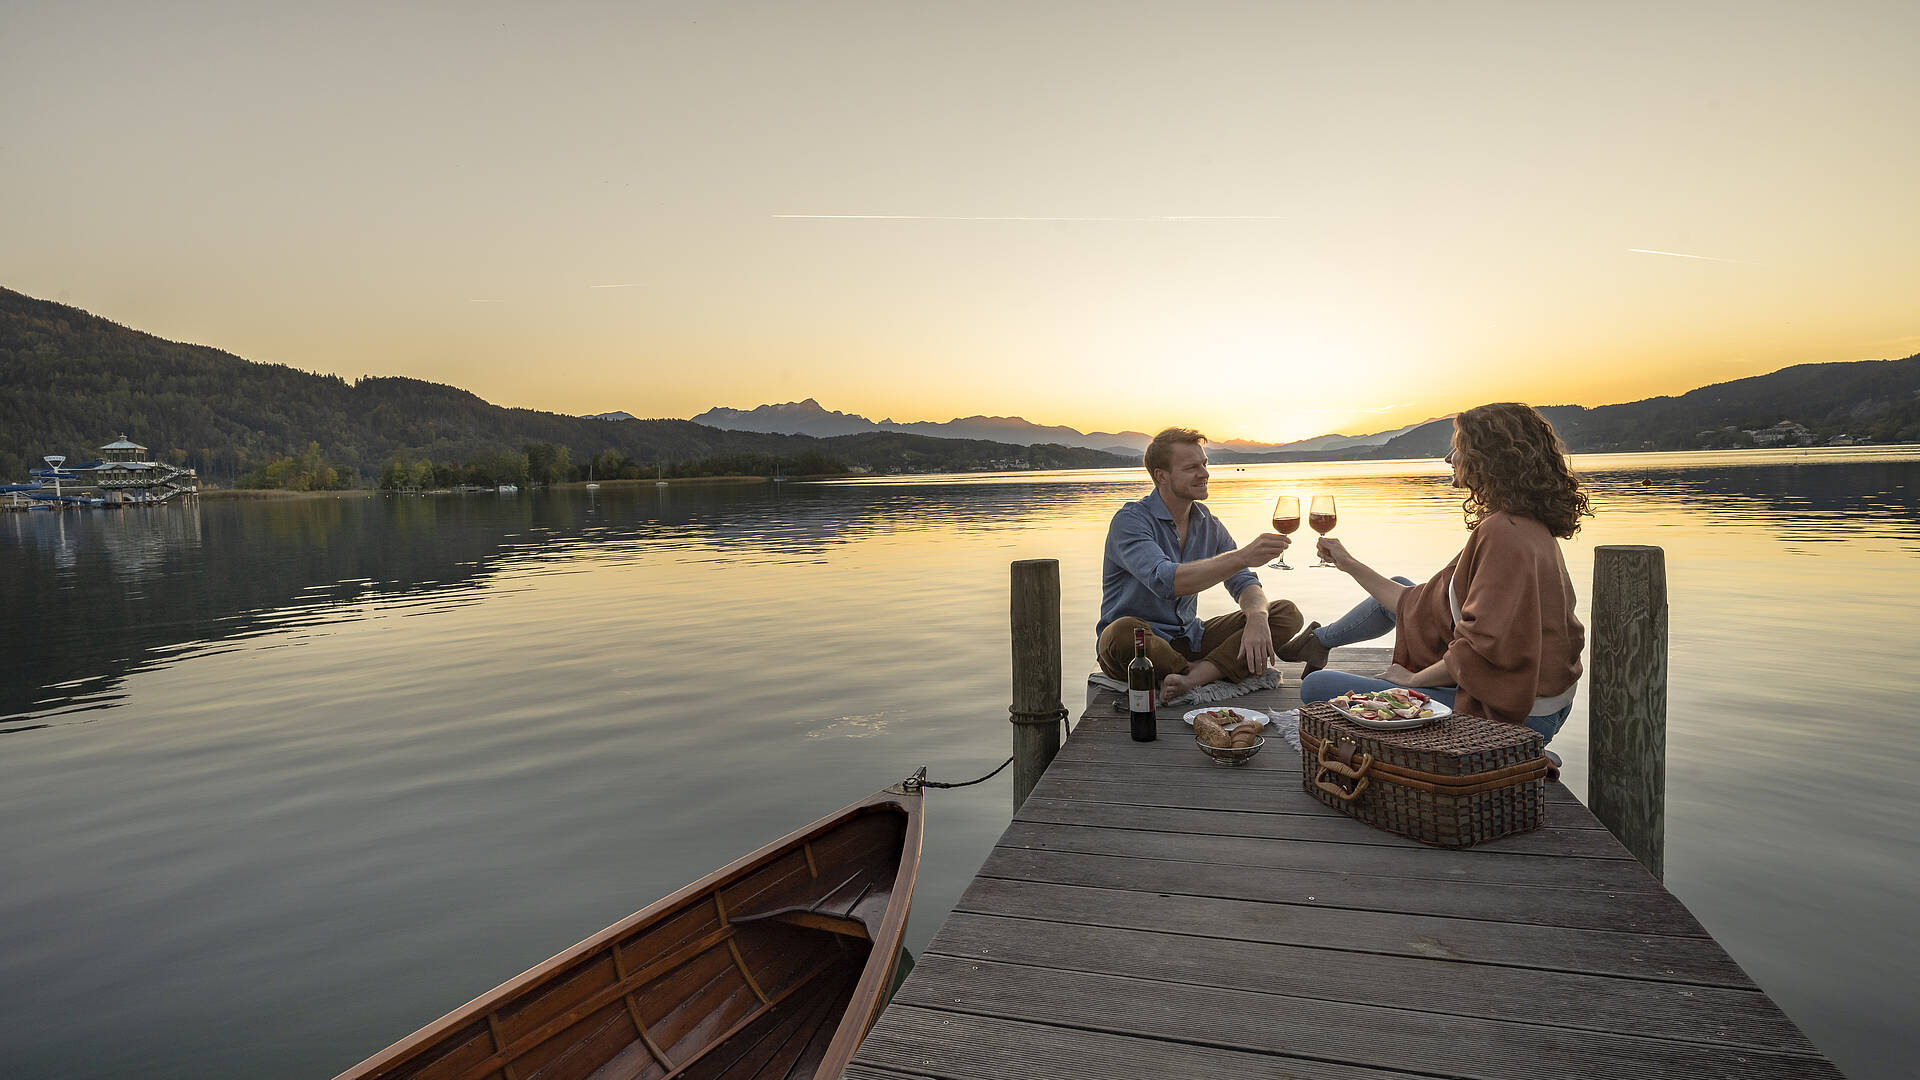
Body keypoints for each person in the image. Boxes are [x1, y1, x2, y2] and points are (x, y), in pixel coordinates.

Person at [1294, 403, 1589, 744]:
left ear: (1487, 459)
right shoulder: (1524, 522)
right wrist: (1348, 563)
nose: (1449, 458)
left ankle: (1523, 752)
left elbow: (1482, 646)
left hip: (1515, 711)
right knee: (1409, 591)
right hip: (1544, 697)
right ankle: (1318, 642)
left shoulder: (1503, 532)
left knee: (1317, 686)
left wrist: (1410, 681)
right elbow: (1415, 602)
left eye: (1459, 448)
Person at [1097, 427, 1314, 702]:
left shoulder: (1208, 523)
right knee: (1122, 633)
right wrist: (1243, 556)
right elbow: (1167, 581)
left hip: (1191, 638)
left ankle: (1192, 678)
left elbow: (1245, 583)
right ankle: (1214, 669)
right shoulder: (1130, 521)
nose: (1204, 473)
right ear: (1161, 476)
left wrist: (1257, 617)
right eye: (1191, 467)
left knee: (1284, 613)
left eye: (1204, 464)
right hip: (1140, 645)